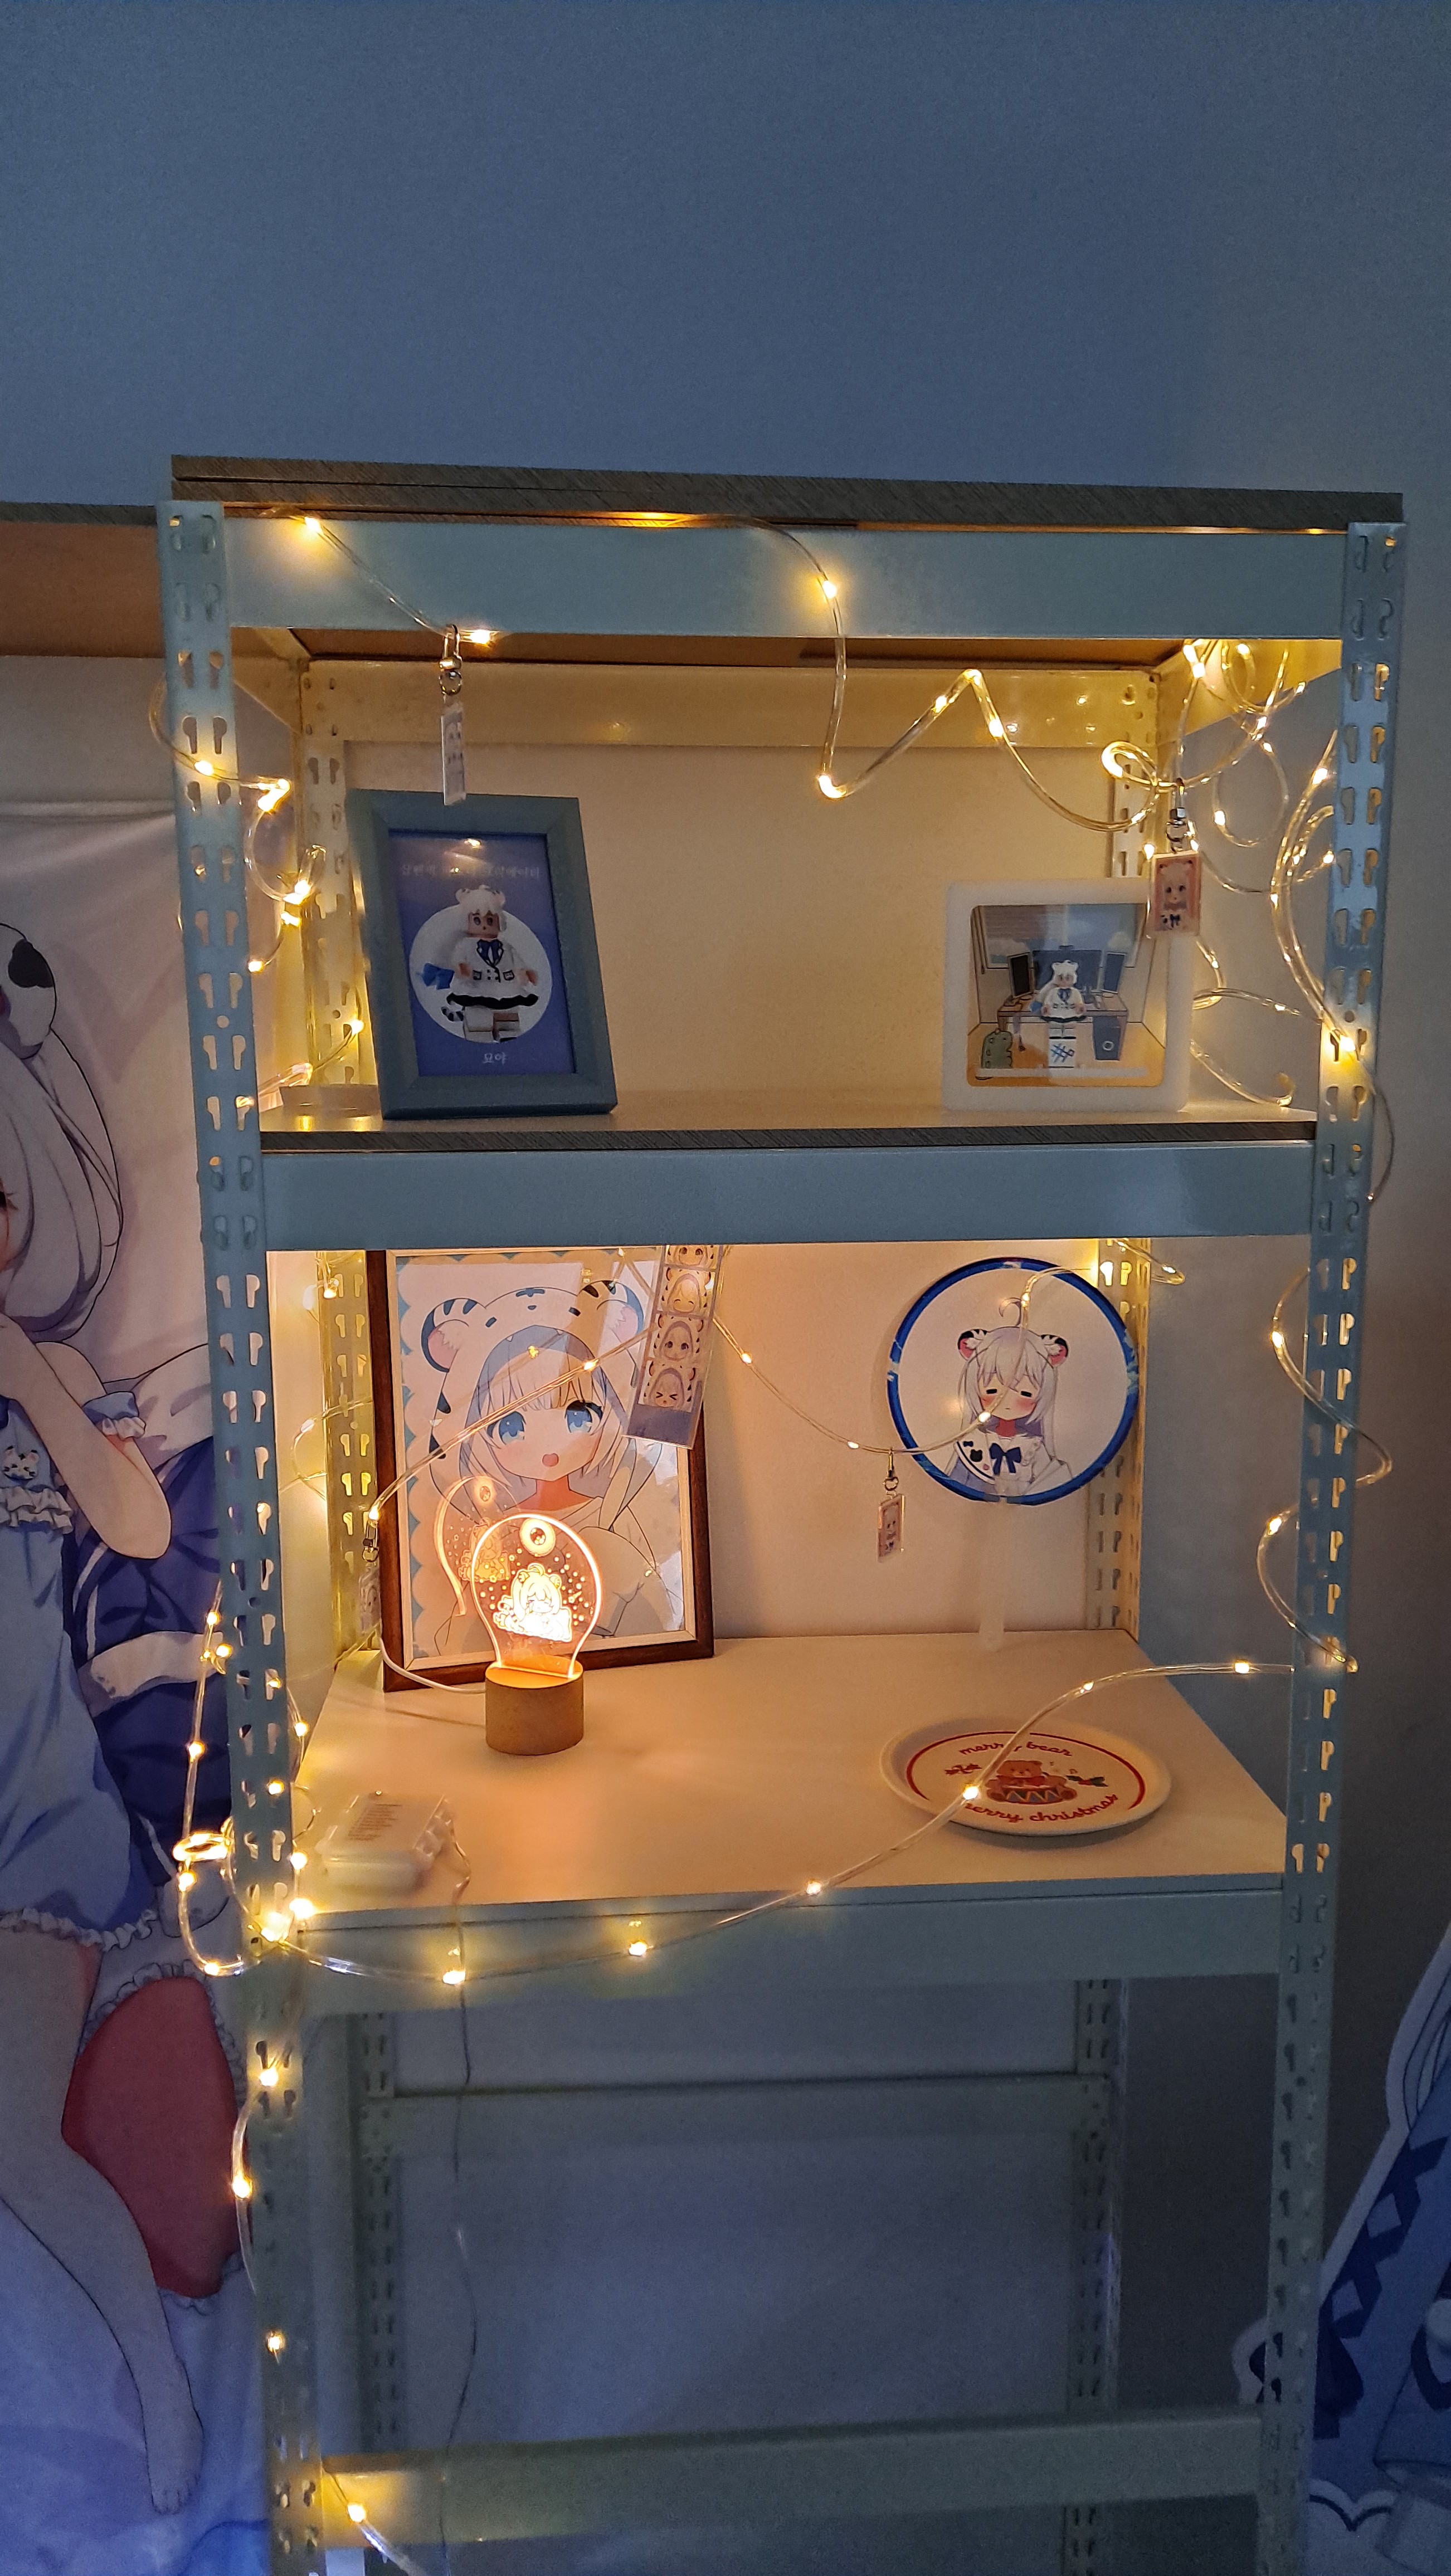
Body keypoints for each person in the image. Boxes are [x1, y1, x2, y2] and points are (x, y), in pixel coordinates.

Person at [0, 924, 203, 2514]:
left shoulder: (38, 1379)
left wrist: (30, 1377)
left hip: (31, 1815)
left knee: (19, 2140)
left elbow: (137, 1526)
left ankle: (159, 2401)